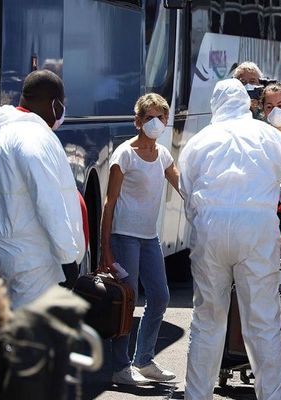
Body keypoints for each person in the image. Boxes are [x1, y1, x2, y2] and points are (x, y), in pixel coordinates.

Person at [179, 78, 281, 400]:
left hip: (210, 228)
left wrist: (203, 224)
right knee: (262, 323)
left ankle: (196, 396)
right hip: (257, 230)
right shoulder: (269, 136)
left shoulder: (199, 140)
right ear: (248, 105)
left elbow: (187, 191)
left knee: (207, 322)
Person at [0, 69, 85, 309]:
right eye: (61, 104)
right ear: (54, 104)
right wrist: (68, 259)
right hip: (30, 261)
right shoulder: (34, 137)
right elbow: (48, 202)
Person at [99, 93, 180, 385]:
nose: (155, 122)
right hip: (124, 237)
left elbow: (182, 185)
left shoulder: (164, 154)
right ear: (138, 121)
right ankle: (121, 367)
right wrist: (105, 249)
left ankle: (143, 360)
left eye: (160, 117)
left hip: (149, 237)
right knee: (127, 301)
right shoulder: (125, 155)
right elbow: (109, 203)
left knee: (160, 297)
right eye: (149, 117)